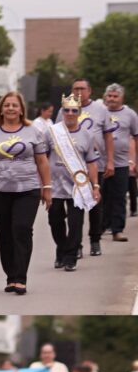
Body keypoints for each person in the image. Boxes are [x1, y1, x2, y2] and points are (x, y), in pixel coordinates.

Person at [0, 91, 51, 295]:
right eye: (6, 105)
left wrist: (47, 188)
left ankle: (20, 278)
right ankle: (10, 275)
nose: (10, 108)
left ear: (21, 109)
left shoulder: (33, 132)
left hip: (28, 189)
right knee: (5, 234)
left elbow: (42, 161)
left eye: (14, 105)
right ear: (1, 109)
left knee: (22, 229)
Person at [55, 78, 114, 257]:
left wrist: (110, 160)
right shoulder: (63, 109)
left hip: (96, 164)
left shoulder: (101, 110)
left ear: (90, 91)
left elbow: (108, 136)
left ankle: (95, 239)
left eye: (82, 88)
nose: (79, 92)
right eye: (75, 89)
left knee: (94, 205)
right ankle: (75, 245)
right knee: (75, 210)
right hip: (71, 168)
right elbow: (57, 134)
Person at [45, 94, 100, 272]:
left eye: (73, 110)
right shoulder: (52, 132)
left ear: (79, 113)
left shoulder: (87, 135)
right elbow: (42, 159)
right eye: (66, 110)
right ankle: (61, 248)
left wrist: (96, 186)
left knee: (76, 223)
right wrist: (42, 184)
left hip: (78, 187)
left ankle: (70, 257)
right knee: (55, 220)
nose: (69, 113)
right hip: (54, 185)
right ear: (62, 111)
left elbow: (91, 162)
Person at [100, 83, 137, 242]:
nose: (112, 99)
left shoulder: (130, 114)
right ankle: (100, 227)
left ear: (121, 98)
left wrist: (135, 160)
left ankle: (118, 230)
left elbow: (136, 137)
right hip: (99, 162)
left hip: (121, 163)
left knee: (119, 196)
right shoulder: (99, 112)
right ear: (105, 96)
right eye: (109, 96)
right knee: (101, 197)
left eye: (115, 96)